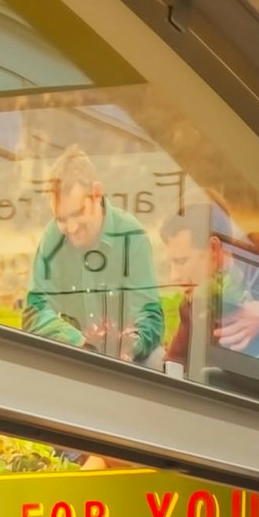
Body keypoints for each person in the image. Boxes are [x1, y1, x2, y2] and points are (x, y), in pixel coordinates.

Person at [24, 152, 168, 362]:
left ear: (97, 194)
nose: (71, 228)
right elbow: (35, 312)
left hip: (126, 357)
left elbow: (150, 316)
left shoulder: (131, 236)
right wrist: (79, 342)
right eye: (61, 219)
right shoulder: (52, 238)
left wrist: (128, 345)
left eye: (77, 213)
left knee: (156, 359)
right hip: (72, 354)